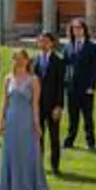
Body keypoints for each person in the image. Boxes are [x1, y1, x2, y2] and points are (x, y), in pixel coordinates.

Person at [0, 48, 49, 190]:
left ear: (27, 60)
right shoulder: (8, 79)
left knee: (27, 153)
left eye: (21, 58)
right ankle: (9, 188)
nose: (19, 61)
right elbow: (4, 103)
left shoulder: (33, 80)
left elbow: (35, 105)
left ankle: (29, 188)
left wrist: (37, 124)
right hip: (11, 120)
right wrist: (1, 121)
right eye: (16, 58)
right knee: (11, 153)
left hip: (26, 120)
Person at [63, 18, 96, 151]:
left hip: (86, 88)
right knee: (73, 116)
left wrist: (92, 86)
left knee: (88, 116)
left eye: (79, 28)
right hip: (72, 87)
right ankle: (70, 140)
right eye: (74, 28)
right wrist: (65, 83)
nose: (77, 31)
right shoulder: (68, 46)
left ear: (84, 29)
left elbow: (95, 69)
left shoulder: (92, 47)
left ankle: (90, 142)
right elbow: (65, 66)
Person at [34, 29, 65, 176]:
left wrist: (59, 106)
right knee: (38, 137)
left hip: (53, 105)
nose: (43, 44)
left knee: (54, 137)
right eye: (41, 41)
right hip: (37, 105)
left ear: (52, 43)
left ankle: (55, 165)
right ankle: (37, 164)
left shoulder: (58, 61)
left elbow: (61, 85)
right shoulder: (34, 61)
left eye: (47, 41)